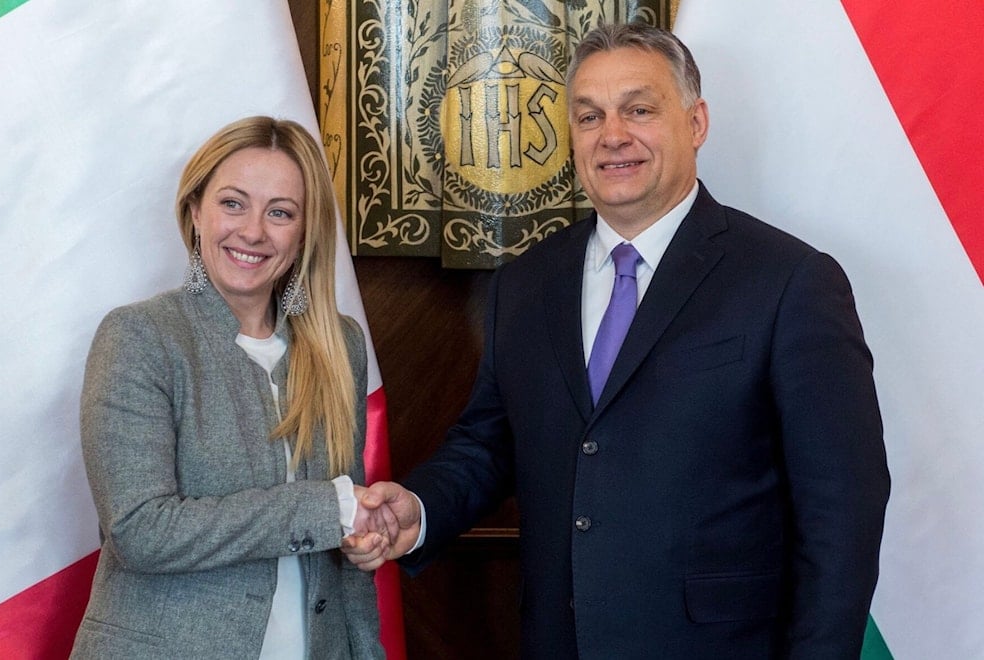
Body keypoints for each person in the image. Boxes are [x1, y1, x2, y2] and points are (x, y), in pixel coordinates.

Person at [342, 22, 890, 659]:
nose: (613, 136)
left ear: (696, 122)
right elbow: (489, 442)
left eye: (639, 109)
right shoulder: (524, 285)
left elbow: (843, 511)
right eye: (589, 115)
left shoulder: (790, 281)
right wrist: (420, 508)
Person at [71, 116, 386, 659]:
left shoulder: (341, 345)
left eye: (280, 212)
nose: (253, 231)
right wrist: (326, 508)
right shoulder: (139, 337)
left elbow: (344, 545)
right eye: (232, 203)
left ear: (306, 230)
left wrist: (360, 543)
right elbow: (139, 529)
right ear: (196, 212)